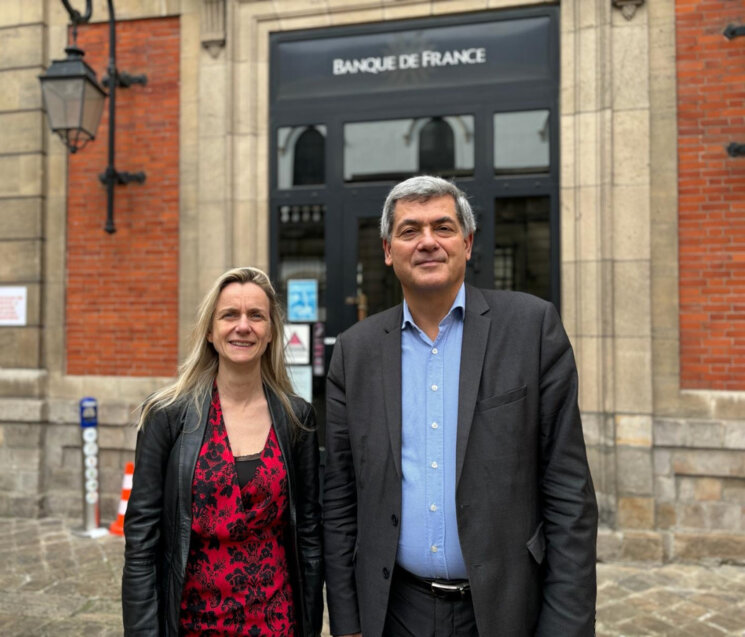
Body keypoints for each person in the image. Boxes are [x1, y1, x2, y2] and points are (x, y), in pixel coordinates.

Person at [323, 176, 598, 637]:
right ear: (389, 251)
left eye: (443, 228)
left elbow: (569, 494)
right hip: (394, 611)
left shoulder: (532, 329)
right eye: (410, 231)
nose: (427, 241)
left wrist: (566, 625)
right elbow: (340, 499)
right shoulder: (356, 353)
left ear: (467, 244)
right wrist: (348, 621)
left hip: (506, 608)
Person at [122, 266, 323, 636]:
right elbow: (141, 541)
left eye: (256, 316)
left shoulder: (297, 419)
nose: (243, 326)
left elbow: (309, 535)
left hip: (276, 623)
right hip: (192, 622)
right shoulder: (167, 416)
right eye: (229, 314)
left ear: (270, 334)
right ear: (210, 332)